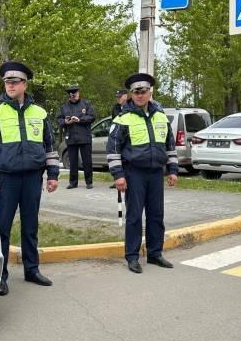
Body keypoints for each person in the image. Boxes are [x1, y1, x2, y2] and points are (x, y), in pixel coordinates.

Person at [0, 61, 60, 296]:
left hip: (33, 177)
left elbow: (50, 147)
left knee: (30, 226)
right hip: (6, 179)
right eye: (7, 82)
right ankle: (0, 276)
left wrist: (52, 175)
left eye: (15, 82)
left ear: (25, 84)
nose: (10, 86)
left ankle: (31, 270)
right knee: (2, 228)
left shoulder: (40, 113)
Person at [106, 73, 178, 274]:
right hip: (134, 173)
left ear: (150, 92)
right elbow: (113, 149)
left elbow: (170, 146)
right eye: (135, 92)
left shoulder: (161, 115)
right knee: (135, 217)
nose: (139, 95)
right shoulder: (123, 118)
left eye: (143, 91)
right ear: (131, 94)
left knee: (156, 215)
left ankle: (155, 253)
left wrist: (172, 170)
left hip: (156, 173)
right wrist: (118, 175)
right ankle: (132, 256)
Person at [56, 84, 96, 189]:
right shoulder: (64, 107)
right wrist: (65, 121)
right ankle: (73, 182)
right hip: (71, 137)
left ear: (78, 93)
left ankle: (89, 181)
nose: (74, 96)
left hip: (84, 136)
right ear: (70, 96)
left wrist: (80, 120)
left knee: (87, 161)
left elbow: (92, 117)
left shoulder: (86, 104)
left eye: (76, 94)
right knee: (72, 161)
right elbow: (59, 120)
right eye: (72, 95)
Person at [109, 89, 129, 188]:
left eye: (120, 97)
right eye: (117, 97)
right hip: (119, 138)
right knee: (118, 158)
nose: (118, 99)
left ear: (125, 96)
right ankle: (118, 178)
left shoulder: (131, 106)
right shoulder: (115, 108)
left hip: (128, 138)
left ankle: (127, 179)